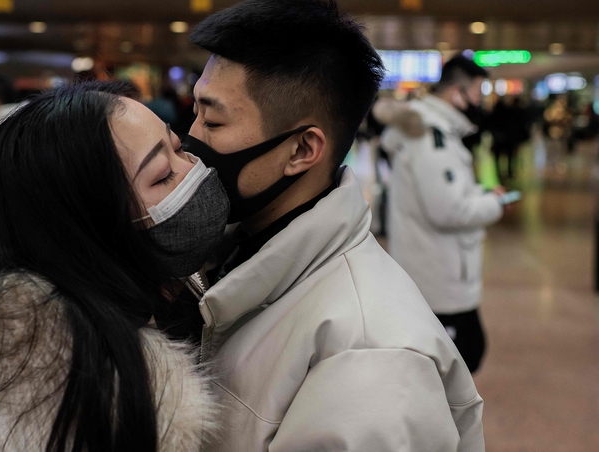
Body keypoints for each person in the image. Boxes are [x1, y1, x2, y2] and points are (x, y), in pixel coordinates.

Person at [184, 1, 485, 451]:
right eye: (194, 112)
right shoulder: (237, 254)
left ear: (303, 150)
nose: (190, 140)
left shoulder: (370, 358)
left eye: (212, 120)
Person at [0, 81, 227, 452]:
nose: (193, 171)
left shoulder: (163, 288)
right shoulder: (72, 401)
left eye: (179, 147)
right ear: (90, 226)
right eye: (164, 175)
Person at [380, 54, 509, 374]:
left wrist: (479, 194)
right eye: (478, 94)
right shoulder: (431, 136)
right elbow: (448, 209)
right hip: (439, 275)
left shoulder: (434, 130)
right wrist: (496, 206)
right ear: (456, 93)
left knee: (454, 360)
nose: (480, 102)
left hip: (436, 269)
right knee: (461, 355)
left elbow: (443, 193)